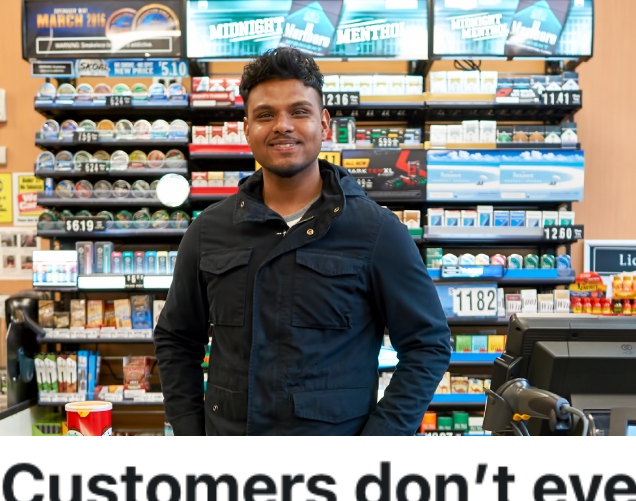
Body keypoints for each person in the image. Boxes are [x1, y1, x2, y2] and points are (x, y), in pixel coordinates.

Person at [154, 47, 450, 435]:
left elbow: (428, 344)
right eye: (265, 115)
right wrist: (192, 436)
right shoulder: (208, 231)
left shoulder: (376, 232)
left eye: (299, 111)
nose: (283, 125)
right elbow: (176, 339)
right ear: (246, 129)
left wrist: (381, 442)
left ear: (324, 124)